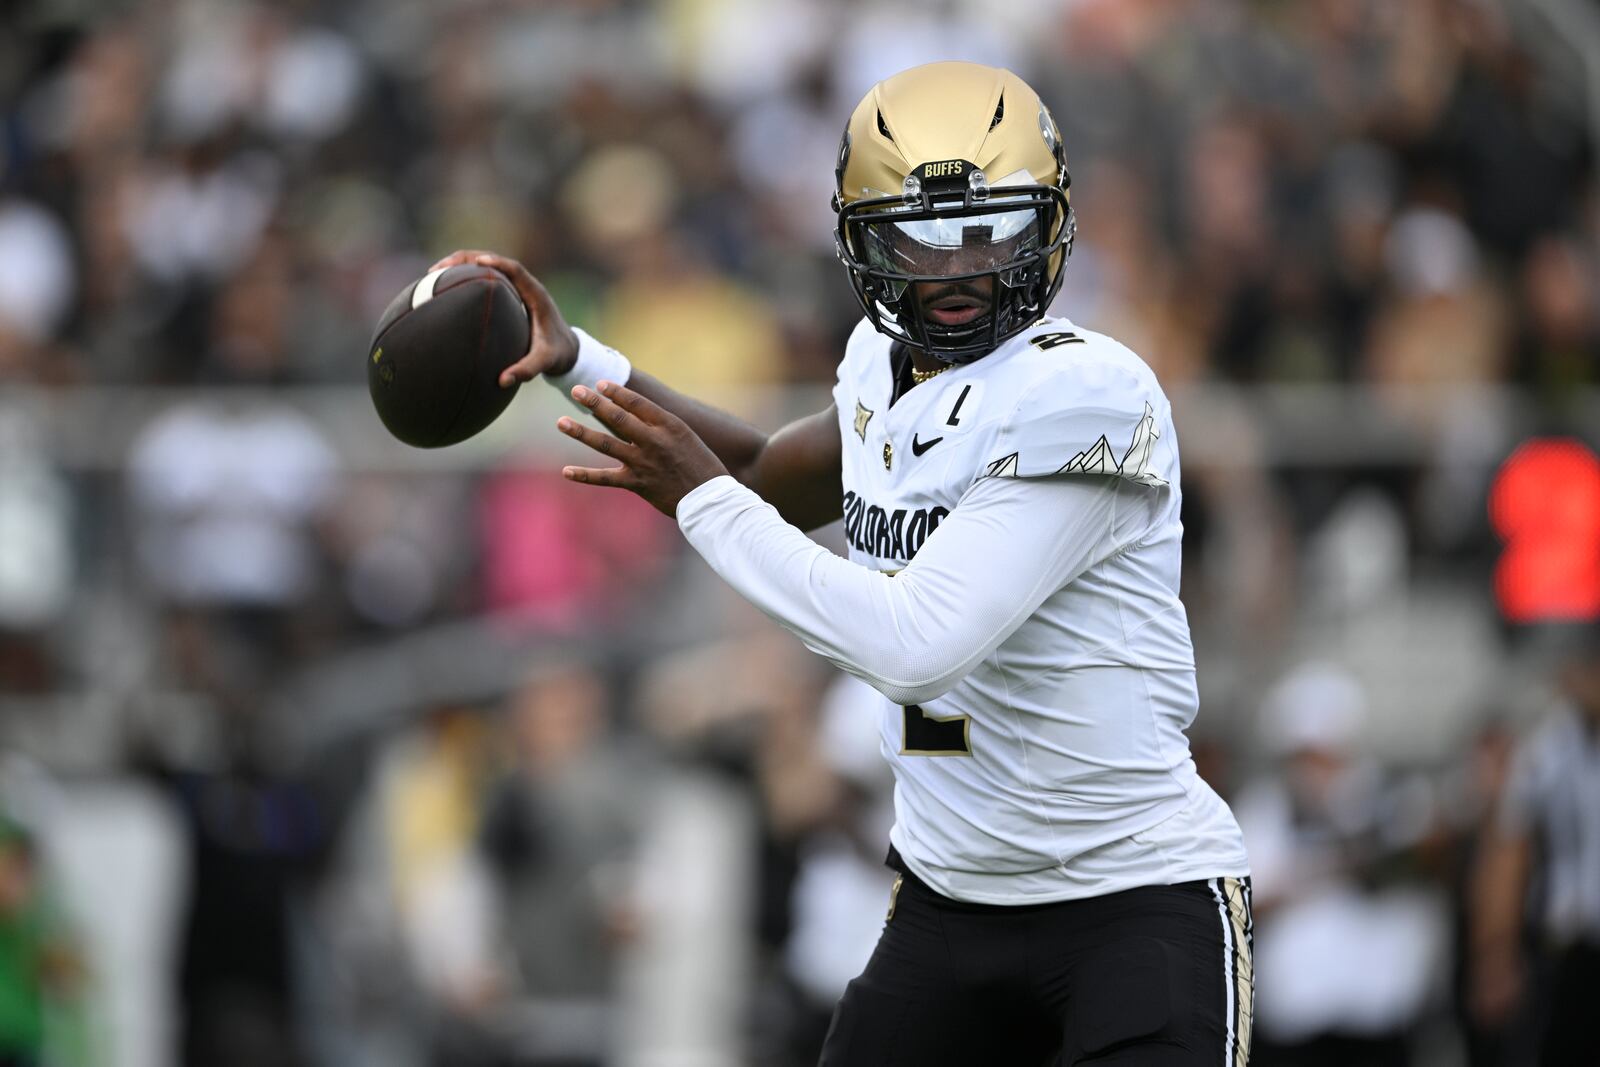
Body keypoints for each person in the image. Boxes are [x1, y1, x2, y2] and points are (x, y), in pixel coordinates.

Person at [434, 60, 1252, 1066]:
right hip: (949, 902)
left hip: (1131, 901)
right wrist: (582, 361)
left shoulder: (1089, 394)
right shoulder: (880, 363)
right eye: (926, 237)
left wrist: (698, 500)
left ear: (1050, 227)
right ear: (862, 238)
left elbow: (915, 646)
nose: (959, 269)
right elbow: (771, 475)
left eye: (993, 229)